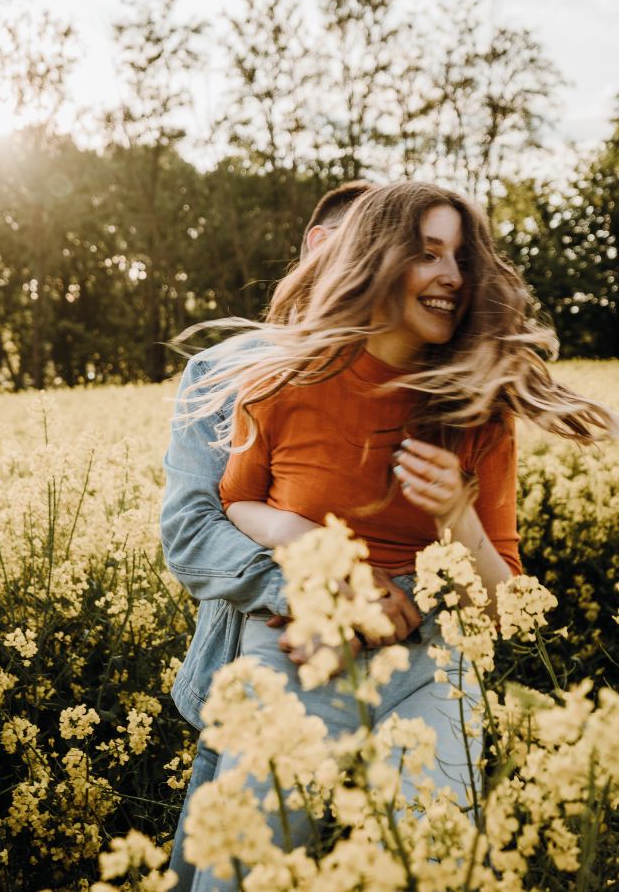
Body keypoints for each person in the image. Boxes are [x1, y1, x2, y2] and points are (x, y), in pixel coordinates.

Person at [163, 181, 616, 891]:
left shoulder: (478, 408)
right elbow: (227, 512)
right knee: (239, 870)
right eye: (427, 253)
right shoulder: (272, 378)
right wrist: (323, 564)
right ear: (369, 258)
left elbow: (504, 609)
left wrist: (456, 514)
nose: (451, 276)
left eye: (460, 259)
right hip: (293, 640)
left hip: (428, 654)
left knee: (430, 868)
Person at [161, 181, 423, 890]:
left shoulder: (430, 376)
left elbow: (455, 539)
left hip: (410, 681)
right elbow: (190, 532)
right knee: (228, 872)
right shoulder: (227, 368)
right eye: (367, 247)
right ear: (320, 245)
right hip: (267, 661)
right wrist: (312, 590)